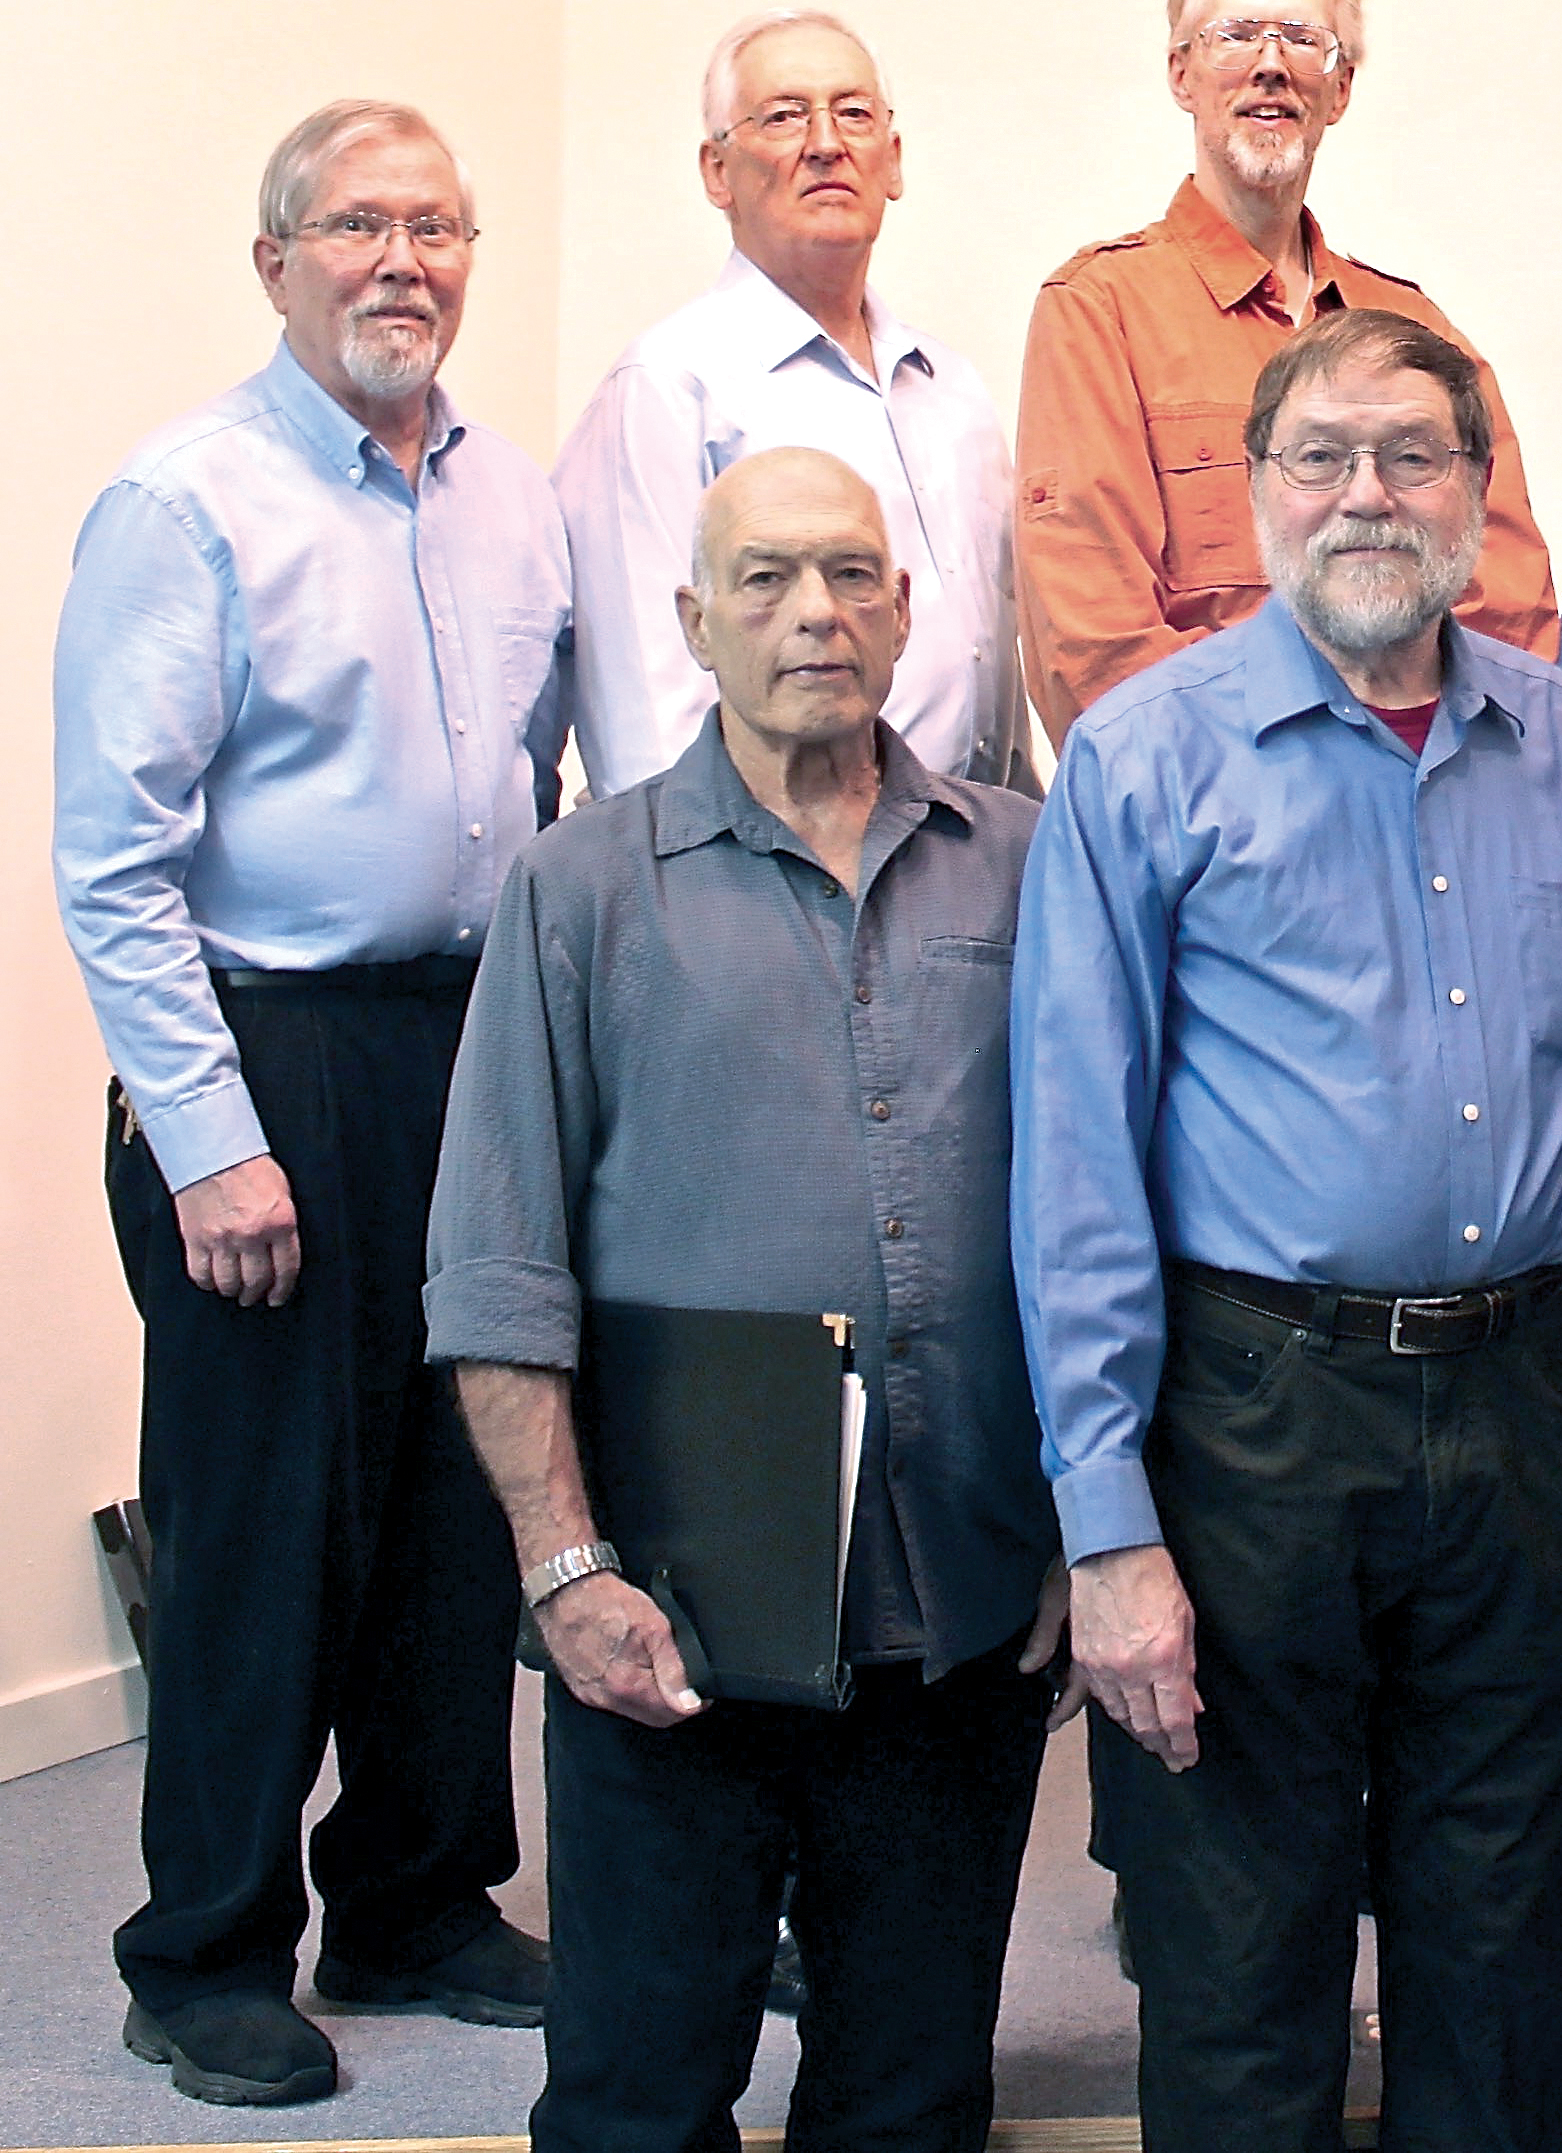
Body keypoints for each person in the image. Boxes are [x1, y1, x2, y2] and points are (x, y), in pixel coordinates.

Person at [1016, 309, 1562, 2150]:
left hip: (1529, 1404)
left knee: (1504, 1929)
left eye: (1412, 455)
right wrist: (1108, 1526)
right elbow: (1074, 1168)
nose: (1366, 493)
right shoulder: (1143, 761)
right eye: (1320, 457)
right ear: (1256, 495)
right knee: (1239, 1945)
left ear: (1477, 490)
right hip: (1255, 1421)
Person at [424, 447, 1062, 2152]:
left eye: (853, 573)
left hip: (959, 1603)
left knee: (914, 2093)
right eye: (766, 579)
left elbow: (1106, 1222)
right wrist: (565, 1571)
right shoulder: (578, 888)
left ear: (909, 609)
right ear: (693, 620)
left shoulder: (1028, 865)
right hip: (674, 1622)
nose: (815, 612)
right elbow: (495, 1267)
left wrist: (1095, 1526)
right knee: (638, 2087)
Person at [50, 101, 567, 2107]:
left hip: (469, 1044)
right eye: (357, 225)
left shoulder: (513, 497)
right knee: (266, 1529)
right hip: (265, 1057)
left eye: (437, 224)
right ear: (274, 260)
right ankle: (201, 1953)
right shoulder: (185, 503)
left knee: (462, 1500)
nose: (403, 263)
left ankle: (420, 1900)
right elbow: (114, 864)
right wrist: (210, 1139)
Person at [1013, 0, 1555, 742]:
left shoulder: (1417, 330)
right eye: (1234, 35)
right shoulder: (1100, 311)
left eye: (1302, 40)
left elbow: (1508, 615)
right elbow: (1091, 643)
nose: (1270, 63)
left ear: (1338, 91)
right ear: (1180, 75)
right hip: (1209, 828)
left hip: (1421, 815)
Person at [555, 11, 1028, 794]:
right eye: (782, 117)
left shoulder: (951, 389)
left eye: (854, 114)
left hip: (963, 861)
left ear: (894, 160)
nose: (825, 143)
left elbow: (993, 672)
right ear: (716, 171)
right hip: (769, 874)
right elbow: (646, 717)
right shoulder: (668, 388)